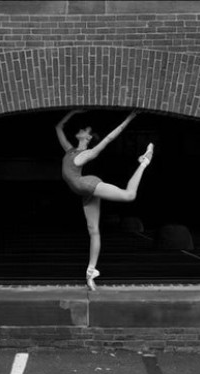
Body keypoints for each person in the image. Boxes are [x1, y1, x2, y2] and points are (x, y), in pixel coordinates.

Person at [56, 109, 154, 290]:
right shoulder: (69, 150)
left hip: (89, 185)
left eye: (86, 129)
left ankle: (144, 162)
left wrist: (128, 119)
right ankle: (91, 272)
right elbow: (58, 127)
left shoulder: (84, 154)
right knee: (93, 230)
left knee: (129, 195)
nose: (82, 129)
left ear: (88, 137)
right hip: (84, 192)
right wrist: (73, 112)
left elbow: (108, 139)